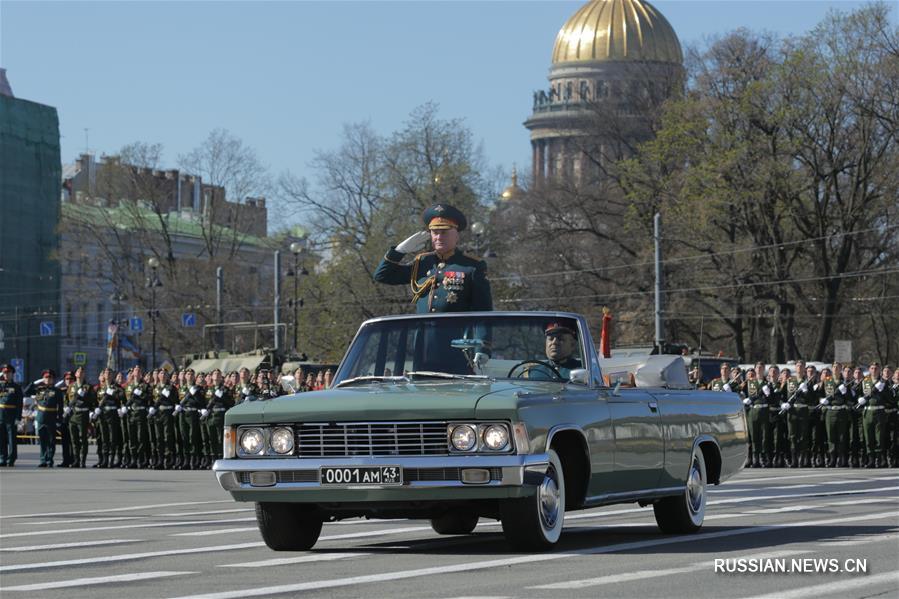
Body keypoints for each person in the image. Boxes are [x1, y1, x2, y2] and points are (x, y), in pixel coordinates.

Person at [373, 203, 493, 314]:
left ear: (456, 235)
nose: (439, 237)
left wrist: (480, 338)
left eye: (444, 232)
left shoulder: (472, 266)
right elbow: (382, 276)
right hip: (423, 335)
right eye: (435, 232)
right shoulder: (422, 263)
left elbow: (483, 312)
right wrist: (399, 251)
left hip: (457, 335)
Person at [860, 362, 890, 468]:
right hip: (867, 412)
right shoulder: (865, 381)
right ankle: (871, 460)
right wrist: (860, 398)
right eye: (872, 368)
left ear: (879, 370)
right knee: (869, 436)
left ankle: (880, 459)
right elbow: (859, 394)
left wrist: (884, 391)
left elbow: (890, 399)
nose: (874, 370)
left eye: (876, 368)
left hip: (879, 412)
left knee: (879, 437)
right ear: (869, 369)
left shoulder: (884, 382)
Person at [66, 367, 97, 468]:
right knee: (74, 439)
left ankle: (83, 460)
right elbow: (67, 399)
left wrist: (83, 396)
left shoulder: (88, 387)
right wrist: (65, 408)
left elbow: (92, 400)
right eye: (78, 371)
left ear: (84, 375)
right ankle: (76, 460)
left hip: (83, 415)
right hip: (73, 415)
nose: (80, 373)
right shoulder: (71, 386)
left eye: (82, 372)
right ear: (75, 374)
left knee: (83, 439)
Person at [33, 370, 65, 467]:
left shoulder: (57, 391)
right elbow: (26, 391)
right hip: (41, 417)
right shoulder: (39, 389)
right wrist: (35, 383)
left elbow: (60, 406)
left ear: (53, 379)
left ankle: (49, 459)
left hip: (51, 417)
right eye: (46, 377)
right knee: (42, 440)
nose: (48, 379)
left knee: (51, 440)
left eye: (50, 378)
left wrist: (59, 419)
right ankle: (43, 459)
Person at [203, 369, 233, 467]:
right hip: (211, 416)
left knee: (221, 439)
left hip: (220, 415)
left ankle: (221, 458)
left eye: (218, 374)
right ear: (211, 376)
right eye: (214, 373)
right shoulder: (207, 389)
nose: (216, 375)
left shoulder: (225, 389)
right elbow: (203, 402)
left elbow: (230, 403)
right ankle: (213, 458)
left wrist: (223, 396)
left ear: (221, 377)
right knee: (212, 439)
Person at [177, 369, 205, 470]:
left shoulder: (198, 389)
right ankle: (186, 459)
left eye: (192, 374)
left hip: (193, 413)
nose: (190, 376)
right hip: (183, 413)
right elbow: (177, 400)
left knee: (193, 436)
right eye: (188, 374)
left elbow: (202, 402)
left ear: (194, 377)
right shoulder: (182, 388)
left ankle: (194, 459)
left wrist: (195, 395)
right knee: (184, 436)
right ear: (185, 376)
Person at [96, 368, 124, 468]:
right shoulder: (100, 388)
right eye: (106, 373)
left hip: (112, 414)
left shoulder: (116, 387)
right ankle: (105, 459)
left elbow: (121, 396)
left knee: (112, 438)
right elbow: (96, 400)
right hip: (103, 414)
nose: (107, 374)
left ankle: (111, 460)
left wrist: (112, 392)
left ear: (112, 375)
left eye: (109, 373)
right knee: (104, 438)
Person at [125, 366, 152, 468]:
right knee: (132, 437)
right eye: (135, 370)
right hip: (131, 413)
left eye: (139, 370)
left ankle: (141, 459)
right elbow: (124, 399)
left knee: (141, 437)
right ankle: (133, 459)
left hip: (141, 413)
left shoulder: (145, 386)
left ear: (141, 374)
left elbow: (149, 398)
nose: (136, 371)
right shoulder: (129, 386)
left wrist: (140, 394)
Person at [0, 364, 24, 467]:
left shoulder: (16, 387)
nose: (6, 375)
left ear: (12, 374)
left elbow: (19, 404)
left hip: (11, 415)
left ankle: (11, 458)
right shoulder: (0, 385)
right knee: (1, 438)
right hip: (0, 415)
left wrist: (18, 418)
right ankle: (2, 458)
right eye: (4, 373)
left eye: (8, 373)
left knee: (11, 439)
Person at [154, 369, 178, 469]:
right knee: (159, 437)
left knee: (168, 436)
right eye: (161, 373)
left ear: (168, 376)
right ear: (158, 376)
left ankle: (169, 460)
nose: (163, 375)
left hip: (167, 413)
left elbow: (175, 400)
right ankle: (160, 459)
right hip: (158, 413)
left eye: (165, 374)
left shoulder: (171, 388)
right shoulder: (155, 387)